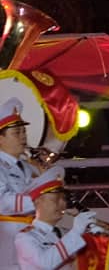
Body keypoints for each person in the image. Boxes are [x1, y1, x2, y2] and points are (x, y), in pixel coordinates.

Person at [17, 165, 109, 270]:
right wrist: (76, 232)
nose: (62, 204)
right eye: (55, 200)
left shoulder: (65, 234)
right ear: (37, 202)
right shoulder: (26, 237)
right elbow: (44, 264)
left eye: (63, 199)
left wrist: (95, 238)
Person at [0, 103, 38, 270]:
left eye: (24, 131)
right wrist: (39, 200)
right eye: (16, 133)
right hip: (8, 241)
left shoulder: (29, 166)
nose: (23, 137)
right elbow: (2, 202)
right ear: (1, 138)